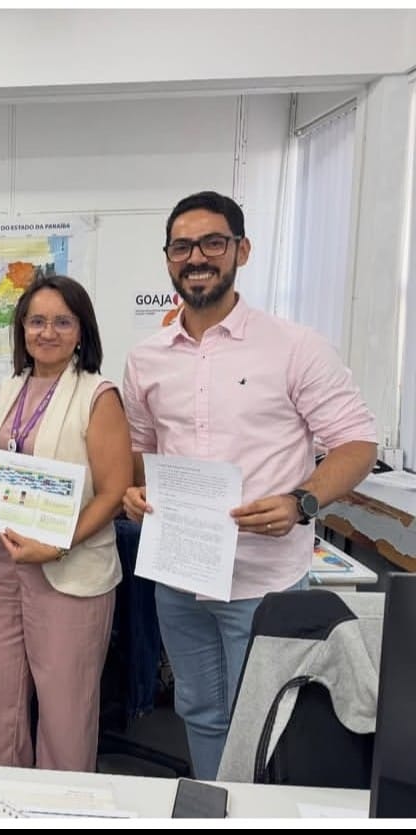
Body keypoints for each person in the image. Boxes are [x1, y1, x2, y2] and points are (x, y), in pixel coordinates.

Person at [121, 190, 378, 780]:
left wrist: (301, 501)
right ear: (168, 259)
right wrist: (137, 492)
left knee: (267, 722)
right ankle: (218, 809)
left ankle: (256, 814)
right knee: (198, 710)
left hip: (264, 580)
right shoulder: (147, 358)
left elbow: (358, 443)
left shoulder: (294, 346)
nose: (196, 258)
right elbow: (142, 449)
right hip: (180, 577)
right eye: (182, 247)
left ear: (242, 250)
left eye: (213, 243)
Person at [0, 271, 132, 772]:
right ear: (22, 329)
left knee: (64, 713)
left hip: (69, 570)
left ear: (82, 331)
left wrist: (57, 546)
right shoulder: (11, 387)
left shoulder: (98, 395)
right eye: (36, 321)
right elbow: (9, 462)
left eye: (62, 322)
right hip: (3, 565)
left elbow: (114, 494)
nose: (47, 332)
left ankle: (61, 806)